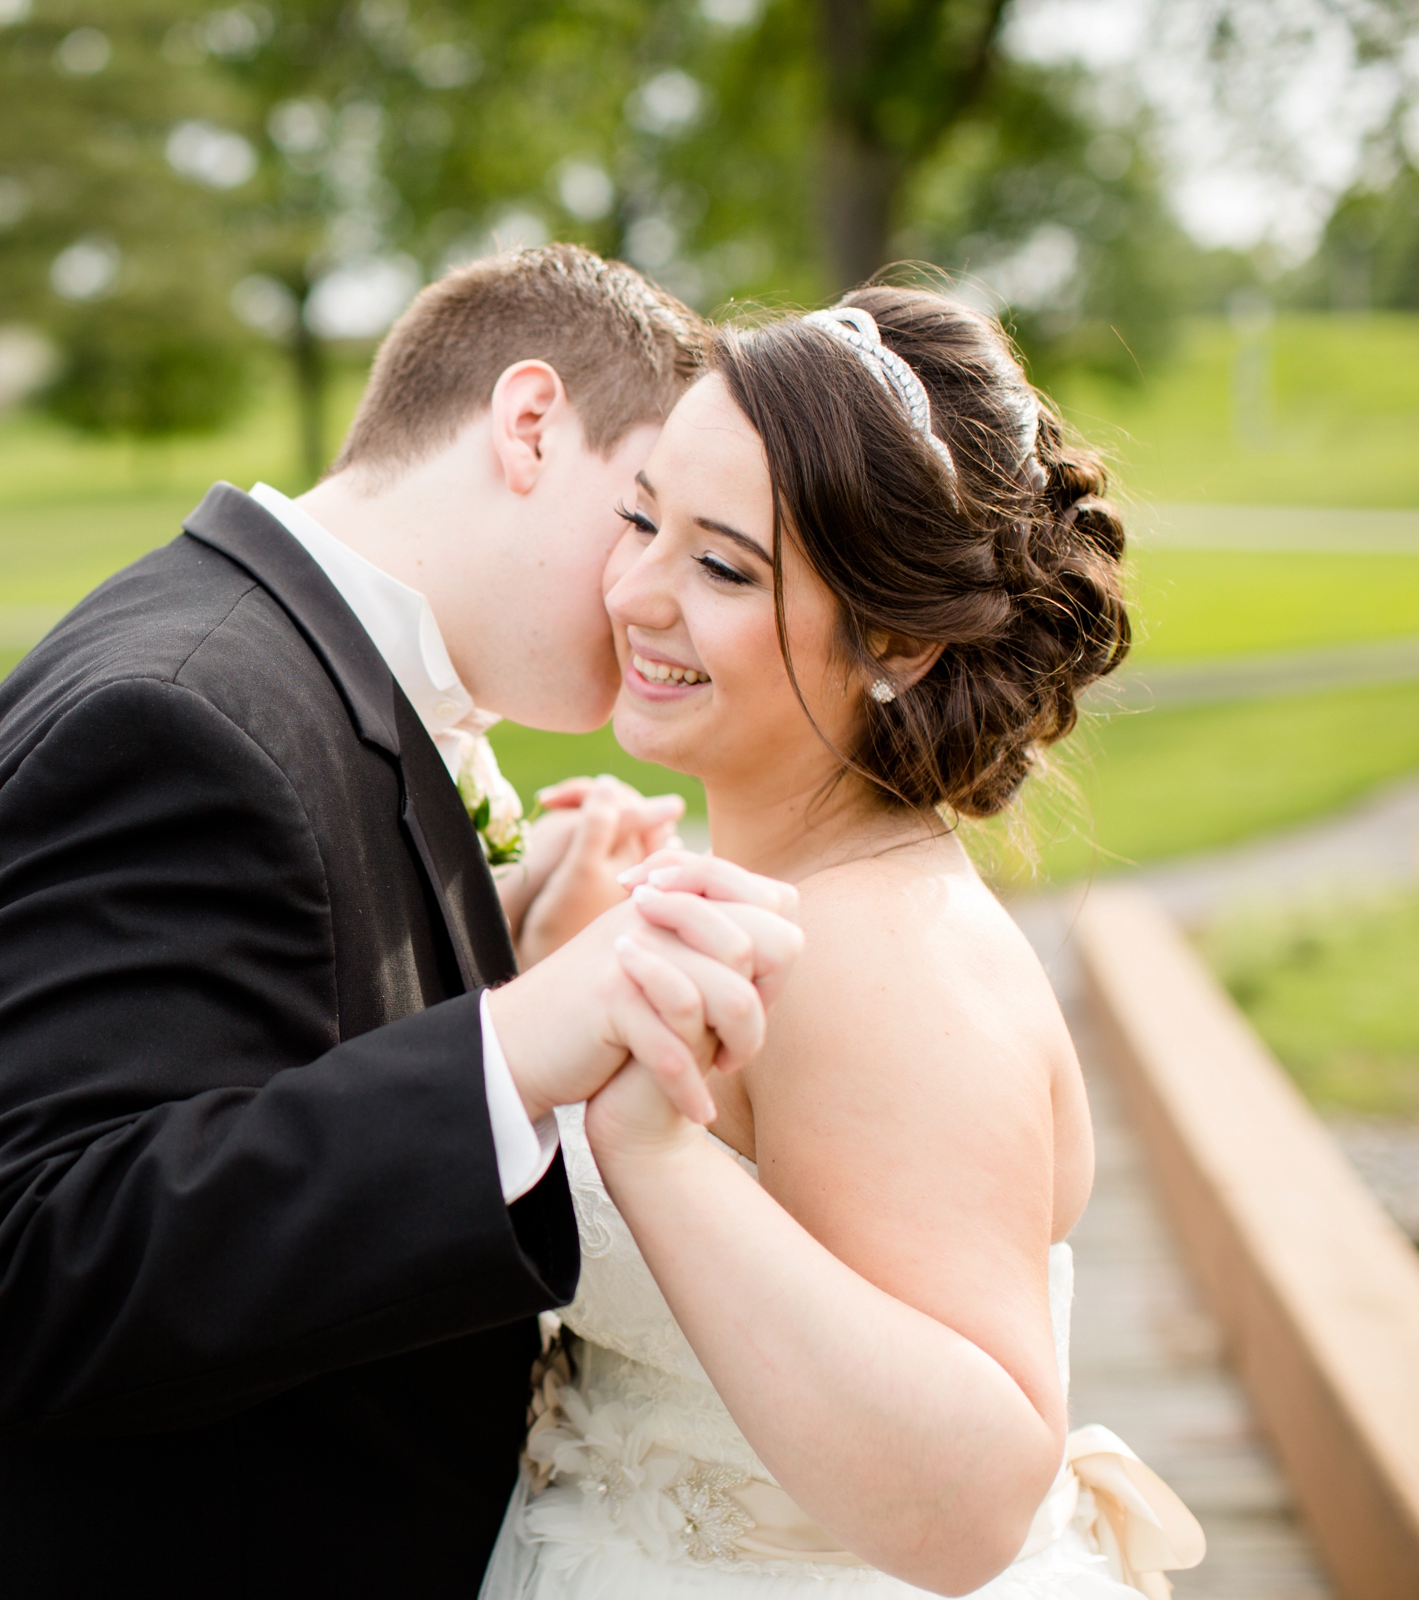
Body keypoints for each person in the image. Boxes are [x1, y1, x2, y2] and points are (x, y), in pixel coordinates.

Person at [0, 245, 805, 1598]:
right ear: (528, 427)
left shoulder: (287, 676)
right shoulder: (180, 717)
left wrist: (504, 934)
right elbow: (21, 1283)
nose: (648, 591)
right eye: (640, 515)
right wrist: (519, 1041)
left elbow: (243, 1065)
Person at [480, 286, 1207, 1600]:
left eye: (720, 566)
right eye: (641, 517)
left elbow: (971, 1499)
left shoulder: (882, 964)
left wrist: (642, 1141)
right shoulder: (772, 885)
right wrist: (552, 949)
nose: (637, 591)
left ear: (902, 640)